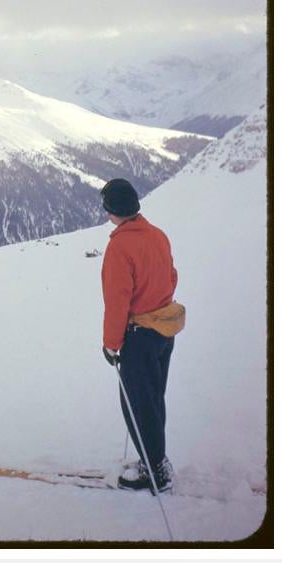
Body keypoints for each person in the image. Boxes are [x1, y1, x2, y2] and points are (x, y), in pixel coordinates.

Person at [99, 178, 179, 494]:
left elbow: (117, 300)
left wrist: (111, 344)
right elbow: (171, 276)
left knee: (138, 404)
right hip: (163, 330)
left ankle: (154, 470)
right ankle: (155, 460)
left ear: (112, 211)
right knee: (152, 400)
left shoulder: (120, 246)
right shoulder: (157, 235)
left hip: (139, 336)